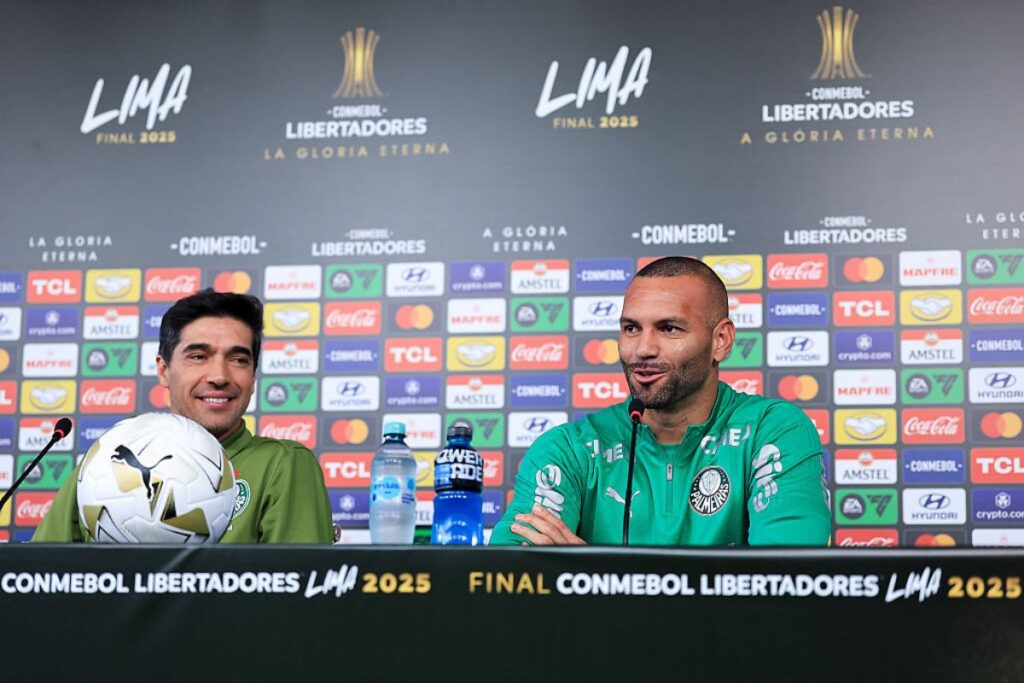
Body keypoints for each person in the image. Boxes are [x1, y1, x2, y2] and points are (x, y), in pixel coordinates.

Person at [490, 256, 830, 546]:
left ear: (721, 340)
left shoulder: (772, 431)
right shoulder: (568, 449)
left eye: (669, 329)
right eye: (631, 328)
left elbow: (787, 580)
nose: (643, 349)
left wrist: (590, 574)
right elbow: (514, 579)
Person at [33, 289, 334, 544]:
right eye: (198, 356)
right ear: (164, 370)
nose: (219, 376)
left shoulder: (282, 464)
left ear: (253, 377)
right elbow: (37, 583)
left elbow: (297, 600)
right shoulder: (102, 463)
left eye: (239, 359)